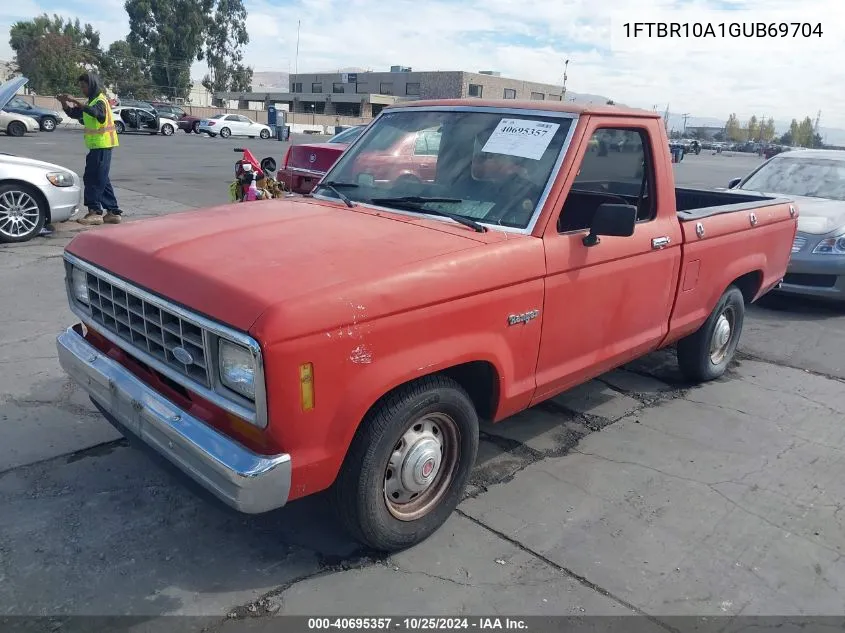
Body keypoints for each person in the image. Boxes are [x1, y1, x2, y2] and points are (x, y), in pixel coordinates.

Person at [57, 72, 122, 226]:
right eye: (81, 87)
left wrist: (76, 101)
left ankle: (95, 212)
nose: (82, 89)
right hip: (96, 146)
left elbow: (98, 115)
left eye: (84, 86)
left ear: (92, 85)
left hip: (102, 145)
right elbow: (75, 114)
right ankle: (113, 212)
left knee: (92, 178)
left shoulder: (100, 101)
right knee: (102, 179)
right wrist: (65, 103)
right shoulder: (91, 101)